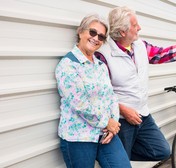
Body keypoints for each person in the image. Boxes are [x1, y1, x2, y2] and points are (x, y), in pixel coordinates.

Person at [95, 6, 176, 162]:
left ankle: (116, 154)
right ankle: (115, 155)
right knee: (120, 162)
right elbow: (102, 93)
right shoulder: (104, 54)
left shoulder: (140, 45)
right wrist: (123, 110)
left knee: (162, 151)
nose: (139, 28)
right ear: (123, 32)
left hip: (143, 114)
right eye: (135, 26)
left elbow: (164, 54)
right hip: (121, 120)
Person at [55, 14, 131, 168]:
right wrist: (107, 122)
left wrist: (114, 122)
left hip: (105, 133)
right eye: (92, 32)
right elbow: (80, 104)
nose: (96, 38)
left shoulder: (100, 65)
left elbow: (111, 96)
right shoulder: (67, 65)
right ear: (80, 32)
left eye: (101, 36)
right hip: (79, 138)